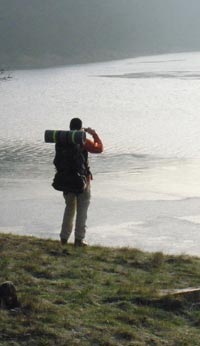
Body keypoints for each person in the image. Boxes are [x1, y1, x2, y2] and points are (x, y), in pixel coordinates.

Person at [59, 117, 103, 247]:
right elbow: (99, 149)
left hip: (65, 180)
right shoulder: (82, 139)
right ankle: (79, 239)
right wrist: (94, 134)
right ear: (80, 128)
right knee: (82, 209)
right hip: (82, 181)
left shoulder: (63, 140)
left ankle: (64, 238)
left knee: (69, 208)